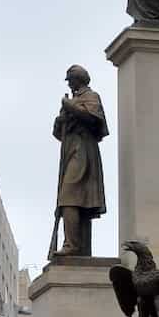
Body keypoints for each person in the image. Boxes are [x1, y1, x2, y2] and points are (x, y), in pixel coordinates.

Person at [51, 65, 109, 259]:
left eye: (70, 79)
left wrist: (71, 108)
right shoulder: (73, 101)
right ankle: (77, 246)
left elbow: (94, 119)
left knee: (71, 196)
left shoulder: (91, 96)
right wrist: (61, 119)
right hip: (71, 149)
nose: (69, 83)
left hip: (84, 149)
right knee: (75, 198)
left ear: (79, 79)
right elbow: (58, 133)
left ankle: (72, 245)